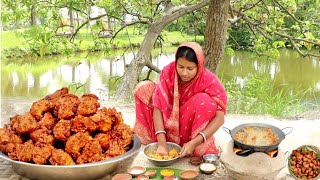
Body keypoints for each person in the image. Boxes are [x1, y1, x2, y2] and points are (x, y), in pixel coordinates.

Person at [133, 42, 227, 157]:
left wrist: (195, 142)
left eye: (190, 68)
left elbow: (220, 118)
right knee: (143, 88)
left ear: (199, 66)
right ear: (176, 63)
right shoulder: (168, 72)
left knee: (204, 101)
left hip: (189, 128)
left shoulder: (209, 81)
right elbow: (158, 106)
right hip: (165, 124)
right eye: (180, 67)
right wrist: (162, 143)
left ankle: (189, 144)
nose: (184, 73)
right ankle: (163, 138)